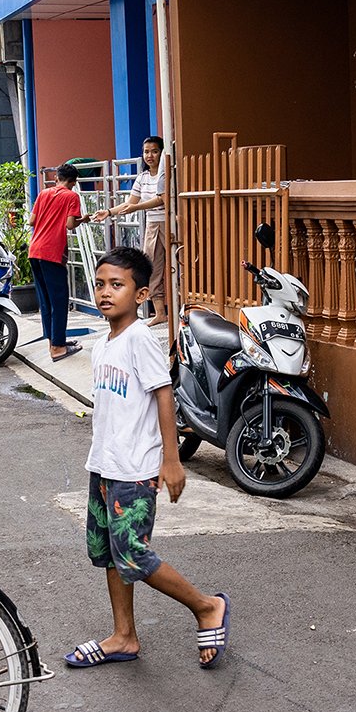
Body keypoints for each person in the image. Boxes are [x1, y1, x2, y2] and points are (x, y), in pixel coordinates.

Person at [59, 247, 229, 672]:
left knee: (133, 554)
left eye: (116, 285)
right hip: (105, 464)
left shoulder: (140, 340)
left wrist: (171, 461)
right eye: (100, 284)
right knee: (110, 554)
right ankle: (124, 636)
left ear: (139, 294)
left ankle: (206, 607)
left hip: (135, 470)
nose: (104, 292)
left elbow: (163, 396)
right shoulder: (103, 345)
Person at [94, 136, 169, 317]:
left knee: (180, 266)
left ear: (162, 152)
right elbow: (130, 202)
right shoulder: (142, 177)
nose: (149, 155)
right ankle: (160, 313)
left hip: (169, 223)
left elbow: (162, 199)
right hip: (152, 225)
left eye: (154, 151)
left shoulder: (166, 173)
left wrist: (137, 207)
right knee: (151, 268)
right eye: (146, 152)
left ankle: (182, 309)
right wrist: (109, 212)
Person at [29, 164, 86, 362]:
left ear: (56, 178)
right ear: (73, 182)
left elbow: (31, 221)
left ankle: (53, 341)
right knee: (60, 300)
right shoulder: (71, 196)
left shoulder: (44, 193)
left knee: (45, 300)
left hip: (34, 250)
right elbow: (70, 224)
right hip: (52, 252)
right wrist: (82, 220)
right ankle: (59, 348)